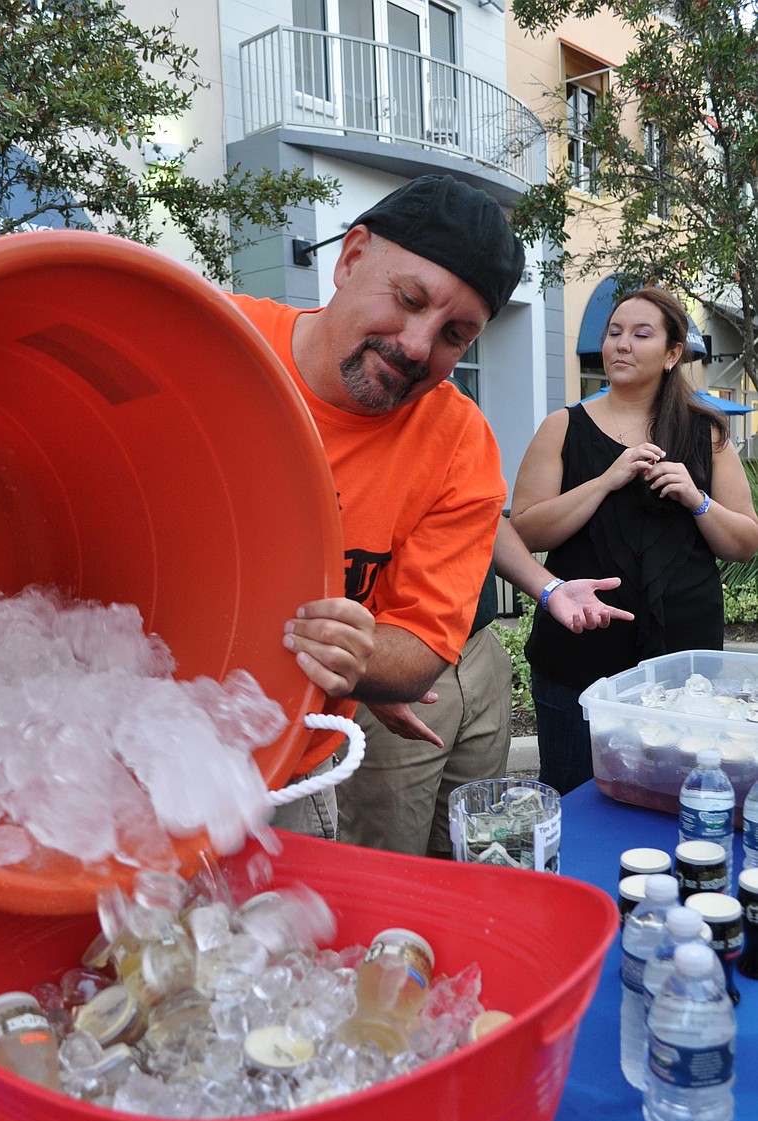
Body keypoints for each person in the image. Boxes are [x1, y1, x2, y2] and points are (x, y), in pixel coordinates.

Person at [230, 173, 628, 839]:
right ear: (351, 257)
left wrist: (361, 659)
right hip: (118, 738)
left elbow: (419, 648)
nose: (416, 346)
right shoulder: (217, 341)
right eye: (408, 299)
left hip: (289, 772)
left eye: (455, 335)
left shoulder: (458, 440)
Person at [336, 402, 634, 859]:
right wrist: (376, 675)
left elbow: (480, 516)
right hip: (391, 658)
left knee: (476, 847)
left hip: (477, 649)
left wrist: (549, 588)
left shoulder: (449, 400)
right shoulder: (352, 401)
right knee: (389, 856)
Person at [511, 286, 758, 795]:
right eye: (614, 332)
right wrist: (605, 481)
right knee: (574, 793)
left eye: (641, 334)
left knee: (681, 795)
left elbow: (744, 542)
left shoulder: (705, 433)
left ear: (672, 353)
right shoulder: (563, 427)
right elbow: (526, 531)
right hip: (579, 650)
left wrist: (697, 499)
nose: (621, 344)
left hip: (684, 663)